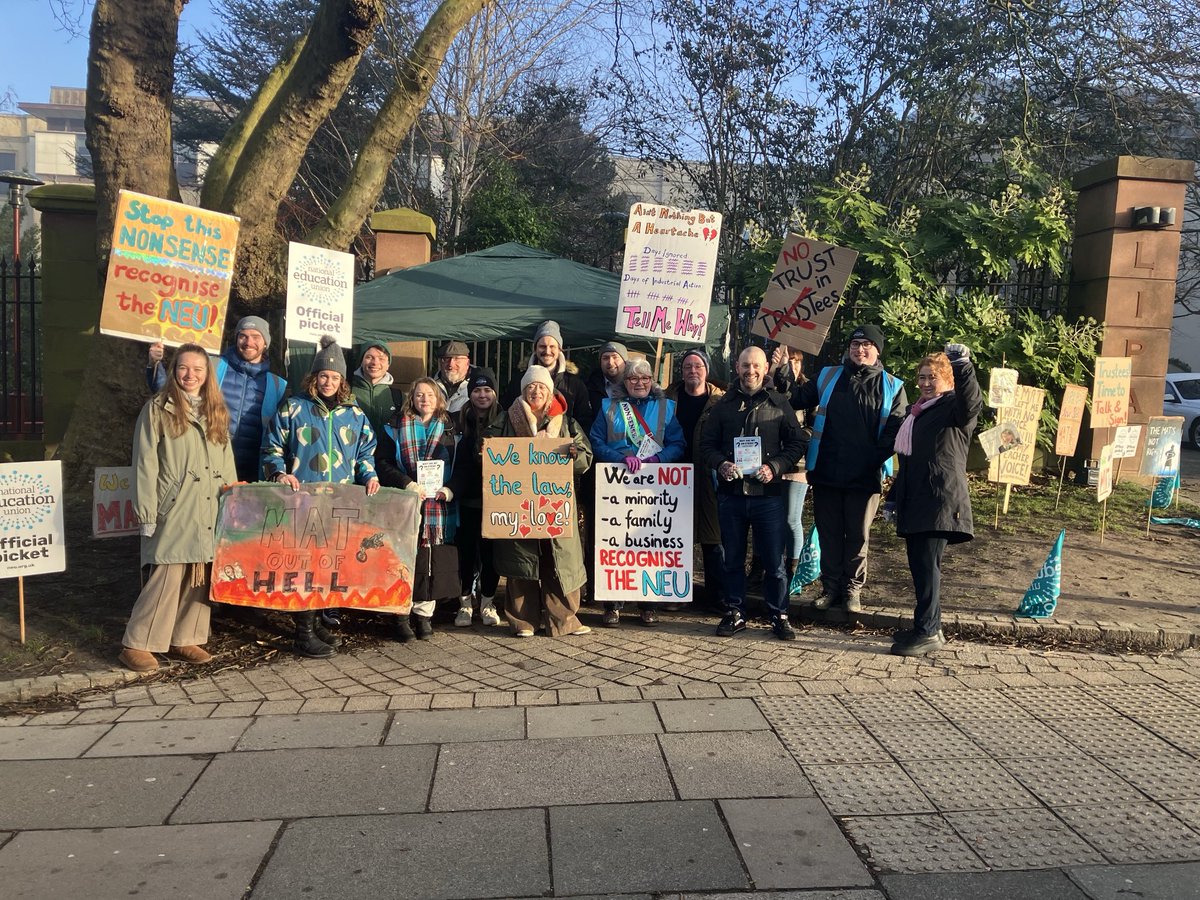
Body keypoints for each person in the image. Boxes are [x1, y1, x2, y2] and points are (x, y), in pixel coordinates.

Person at [119, 343, 238, 673]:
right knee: (167, 574)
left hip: (209, 505)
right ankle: (137, 642)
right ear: (174, 371)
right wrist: (146, 512)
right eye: (184, 368)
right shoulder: (158, 409)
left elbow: (226, 463)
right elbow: (144, 463)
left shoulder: (216, 410)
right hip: (173, 505)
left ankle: (186, 636)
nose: (190, 375)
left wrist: (233, 506)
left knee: (199, 575)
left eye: (198, 370)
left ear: (206, 375)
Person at [262, 335, 380, 658]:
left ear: (343, 379)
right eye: (323, 376)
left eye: (335, 377)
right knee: (304, 566)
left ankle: (315, 624)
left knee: (326, 566)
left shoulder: (354, 416)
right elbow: (271, 447)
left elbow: (365, 453)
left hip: (339, 503)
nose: (328, 382)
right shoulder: (293, 408)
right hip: (301, 502)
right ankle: (302, 633)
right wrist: (278, 472)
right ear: (314, 376)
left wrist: (369, 476)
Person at [791, 325, 907, 612]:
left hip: (865, 474)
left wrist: (871, 459)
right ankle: (830, 588)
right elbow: (796, 399)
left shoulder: (894, 386)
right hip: (827, 471)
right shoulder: (829, 375)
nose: (860, 349)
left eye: (867, 344)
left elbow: (896, 429)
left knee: (857, 536)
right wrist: (785, 375)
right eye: (855, 344)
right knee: (829, 533)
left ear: (878, 350)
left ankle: (852, 590)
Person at [698, 346, 806, 640]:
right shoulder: (723, 405)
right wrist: (720, 463)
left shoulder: (779, 403)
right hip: (731, 495)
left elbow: (797, 443)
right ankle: (734, 612)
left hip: (768, 496)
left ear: (766, 367)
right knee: (732, 558)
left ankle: (779, 615)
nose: (751, 371)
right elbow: (706, 446)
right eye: (746, 365)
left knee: (774, 561)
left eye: (756, 366)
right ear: (737, 366)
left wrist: (774, 466)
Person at [886, 345, 982, 657]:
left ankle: (927, 631)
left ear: (948, 380)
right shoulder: (919, 412)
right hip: (917, 500)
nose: (926, 382)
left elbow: (972, 402)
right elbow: (911, 460)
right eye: (922, 377)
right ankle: (929, 626)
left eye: (933, 377)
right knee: (922, 567)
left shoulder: (954, 407)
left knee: (928, 568)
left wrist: (962, 365)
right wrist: (892, 499)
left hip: (939, 500)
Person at [488, 365, 594, 637]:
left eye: (541, 387)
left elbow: (586, 457)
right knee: (521, 560)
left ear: (550, 392)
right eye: (531, 387)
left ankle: (565, 619)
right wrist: (485, 452)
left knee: (558, 560)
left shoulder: (567, 422)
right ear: (524, 390)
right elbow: (487, 450)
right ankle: (523, 621)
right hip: (518, 504)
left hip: (556, 504)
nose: (536, 391)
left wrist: (574, 455)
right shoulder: (506, 419)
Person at [589, 357, 687, 627]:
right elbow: (595, 440)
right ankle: (613, 605)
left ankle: (649, 604)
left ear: (652, 380)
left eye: (645, 378)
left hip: (654, 486)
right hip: (617, 484)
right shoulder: (609, 407)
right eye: (633, 378)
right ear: (625, 381)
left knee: (649, 543)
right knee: (616, 544)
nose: (639, 383)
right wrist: (617, 458)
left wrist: (659, 460)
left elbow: (678, 442)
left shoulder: (666, 407)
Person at [146, 316, 288, 482]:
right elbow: (170, 395)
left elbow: (281, 437)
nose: (248, 342)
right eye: (243, 336)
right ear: (236, 339)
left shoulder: (278, 385)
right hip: (207, 468)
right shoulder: (213, 366)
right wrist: (154, 364)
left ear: (265, 343)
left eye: (256, 337)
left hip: (252, 475)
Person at [376, 377, 462, 641]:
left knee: (431, 562)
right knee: (402, 560)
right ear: (411, 399)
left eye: (430, 395)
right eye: (419, 395)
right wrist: (406, 482)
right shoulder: (394, 427)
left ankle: (424, 615)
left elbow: (465, 466)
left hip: (439, 506)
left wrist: (450, 489)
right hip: (405, 503)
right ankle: (401, 617)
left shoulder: (452, 429)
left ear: (439, 400)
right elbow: (381, 462)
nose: (424, 399)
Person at [664, 347, 727, 612]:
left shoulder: (721, 401)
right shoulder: (667, 399)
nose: (692, 371)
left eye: (698, 366)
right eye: (688, 366)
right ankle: (677, 593)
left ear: (707, 370)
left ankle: (718, 597)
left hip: (709, 476)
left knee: (714, 540)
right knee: (677, 539)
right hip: (674, 476)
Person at [449, 368, 505, 627]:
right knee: (466, 554)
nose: (482, 395)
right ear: (470, 394)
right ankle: (464, 604)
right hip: (465, 500)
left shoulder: (506, 421)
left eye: (487, 390)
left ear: (495, 393)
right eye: (477, 390)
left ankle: (487, 602)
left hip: (496, 500)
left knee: (491, 555)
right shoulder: (457, 421)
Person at [770, 344, 814, 594]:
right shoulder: (772, 386)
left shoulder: (808, 392)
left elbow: (813, 427)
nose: (792, 365)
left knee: (791, 518)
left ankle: (793, 570)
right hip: (771, 462)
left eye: (796, 361)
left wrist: (795, 437)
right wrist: (776, 369)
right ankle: (765, 568)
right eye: (789, 361)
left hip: (797, 463)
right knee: (769, 518)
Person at [501, 320, 593, 430]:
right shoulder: (519, 380)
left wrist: (574, 444)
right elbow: (506, 415)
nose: (547, 351)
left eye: (552, 346)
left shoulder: (574, 383)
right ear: (535, 348)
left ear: (560, 349)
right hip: (523, 444)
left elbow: (584, 421)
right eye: (542, 346)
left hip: (562, 445)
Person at [351, 342, 405, 437]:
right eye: (369, 357)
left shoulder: (399, 398)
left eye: (381, 358)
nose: (375, 362)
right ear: (361, 362)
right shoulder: (346, 393)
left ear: (388, 364)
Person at [434, 340, 476, 414]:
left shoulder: (478, 387)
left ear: (467, 363)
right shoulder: (429, 387)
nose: (451, 364)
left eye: (457, 359)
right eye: (446, 358)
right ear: (440, 362)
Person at [586, 341, 630, 412]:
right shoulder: (590, 387)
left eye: (615, 357)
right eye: (605, 358)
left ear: (624, 361)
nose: (610, 362)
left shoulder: (636, 386)